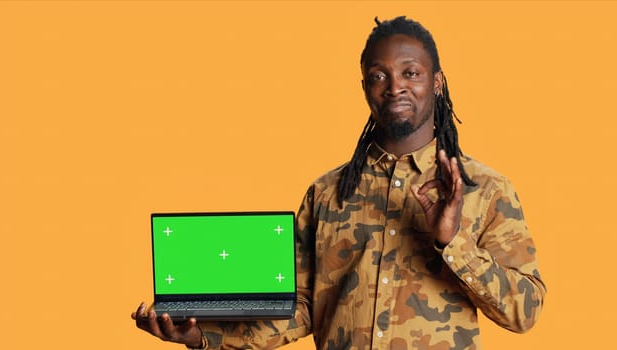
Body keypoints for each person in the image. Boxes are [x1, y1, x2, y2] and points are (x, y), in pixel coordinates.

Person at [132, 16, 546, 349]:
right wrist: (203, 335)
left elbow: (524, 312)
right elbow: (302, 309)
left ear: (436, 82)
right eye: (379, 75)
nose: (395, 85)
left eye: (410, 72)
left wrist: (453, 242)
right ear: (365, 87)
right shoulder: (327, 194)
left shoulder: (484, 189)